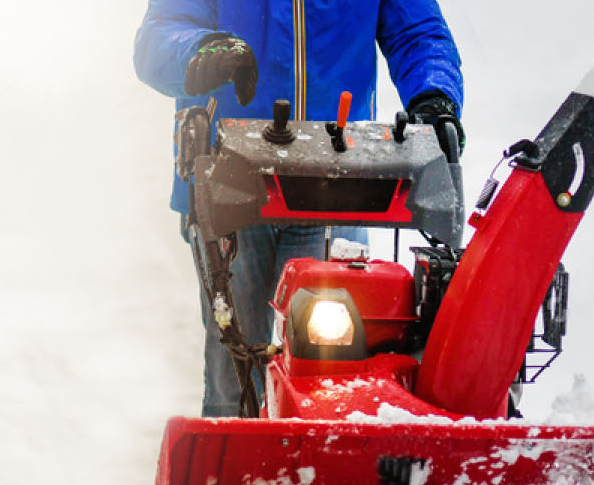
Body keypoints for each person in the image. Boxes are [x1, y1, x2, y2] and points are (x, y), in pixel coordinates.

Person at [134, 1, 464, 416]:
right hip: (228, 182)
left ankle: (318, 474)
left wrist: (434, 95)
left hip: (341, 184)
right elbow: (159, 34)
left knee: (332, 370)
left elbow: (416, 33)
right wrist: (203, 49)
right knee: (235, 375)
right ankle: (234, 475)